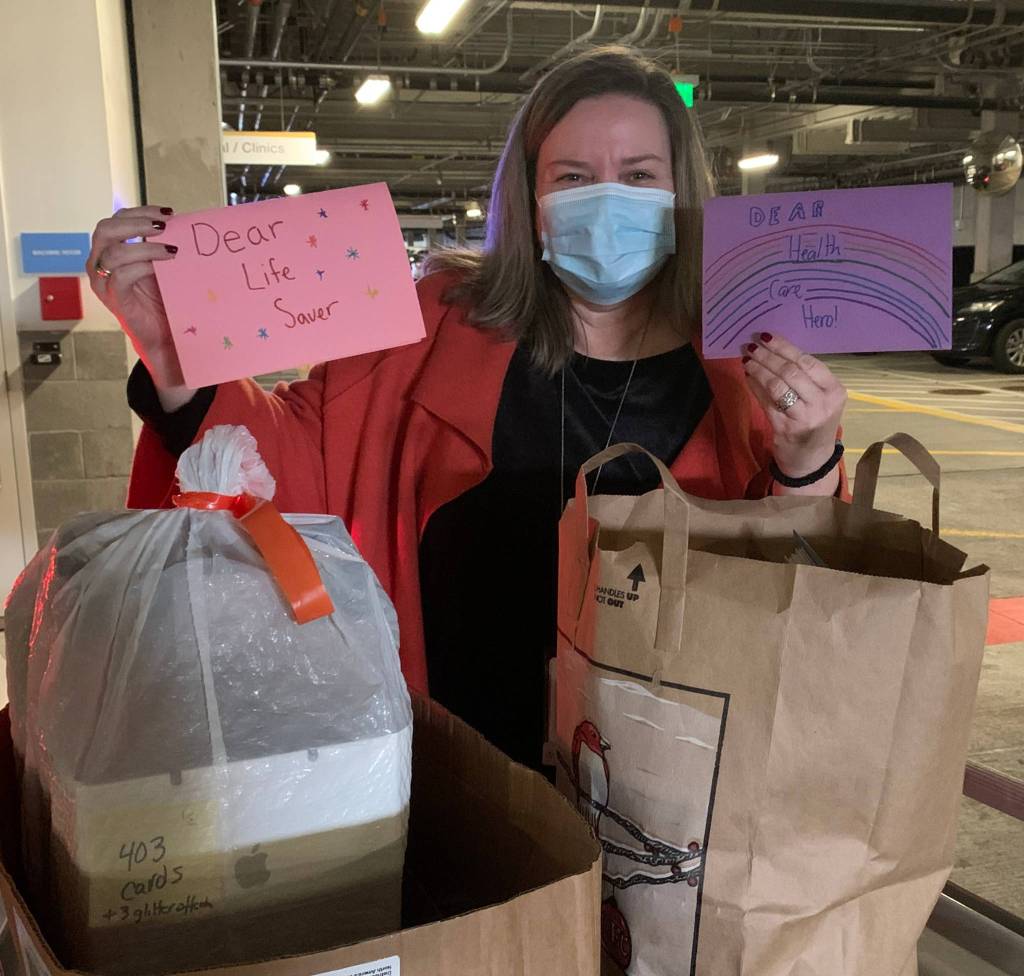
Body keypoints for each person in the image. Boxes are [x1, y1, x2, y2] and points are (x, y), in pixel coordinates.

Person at [88, 46, 848, 771]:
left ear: (680, 193)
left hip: (670, 781)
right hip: (462, 769)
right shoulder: (436, 323)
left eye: (639, 174)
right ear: (531, 198)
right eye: (574, 176)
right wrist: (174, 358)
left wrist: (809, 458)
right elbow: (289, 460)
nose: (607, 199)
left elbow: (798, 591)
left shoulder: (744, 360)